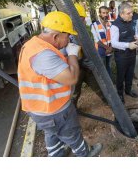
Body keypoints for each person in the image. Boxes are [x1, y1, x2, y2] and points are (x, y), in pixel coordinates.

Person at [18, 11, 102, 157]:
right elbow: (72, 79)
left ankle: (56, 155)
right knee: (72, 135)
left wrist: (65, 51)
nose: (69, 39)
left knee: (52, 133)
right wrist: (72, 54)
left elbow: (54, 58)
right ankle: (86, 154)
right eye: (67, 36)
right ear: (56, 36)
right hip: (55, 111)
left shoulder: (34, 44)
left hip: (41, 110)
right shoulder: (44, 56)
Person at [110, 2, 138, 103]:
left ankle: (128, 90)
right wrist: (128, 45)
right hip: (121, 56)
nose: (132, 15)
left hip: (132, 54)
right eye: (128, 13)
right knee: (121, 75)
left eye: (131, 12)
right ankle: (120, 94)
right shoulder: (115, 26)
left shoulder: (132, 21)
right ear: (121, 14)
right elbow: (114, 43)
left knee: (130, 74)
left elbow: (135, 33)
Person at [91, 6, 113, 78]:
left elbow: (113, 38)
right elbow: (96, 40)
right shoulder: (94, 25)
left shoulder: (110, 24)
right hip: (101, 51)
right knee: (102, 70)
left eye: (107, 13)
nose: (105, 15)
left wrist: (110, 48)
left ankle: (110, 85)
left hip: (110, 50)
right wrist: (107, 48)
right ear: (99, 14)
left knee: (108, 68)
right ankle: (103, 87)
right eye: (103, 13)